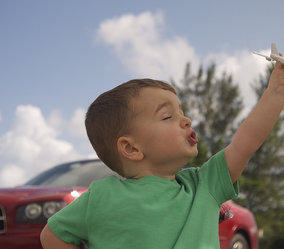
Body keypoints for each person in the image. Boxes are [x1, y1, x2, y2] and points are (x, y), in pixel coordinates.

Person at [40, 60, 284, 249]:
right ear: (131, 148)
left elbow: (246, 143)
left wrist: (276, 90)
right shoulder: (101, 197)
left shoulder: (205, 185)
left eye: (182, 112)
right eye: (168, 116)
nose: (186, 120)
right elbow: (51, 235)